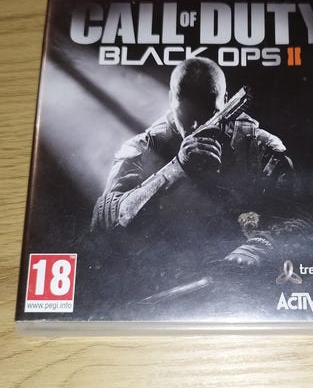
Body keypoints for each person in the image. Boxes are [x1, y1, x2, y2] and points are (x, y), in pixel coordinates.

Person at [91, 57, 296, 304]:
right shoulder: (142, 149)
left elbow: (303, 217)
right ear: (171, 100)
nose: (197, 125)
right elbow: (103, 222)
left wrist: (260, 247)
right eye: (187, 113)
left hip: (241, 292)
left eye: (209, 112)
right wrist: (176, 168)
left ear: (226, 100)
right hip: (159, 290)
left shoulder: (260, 147)